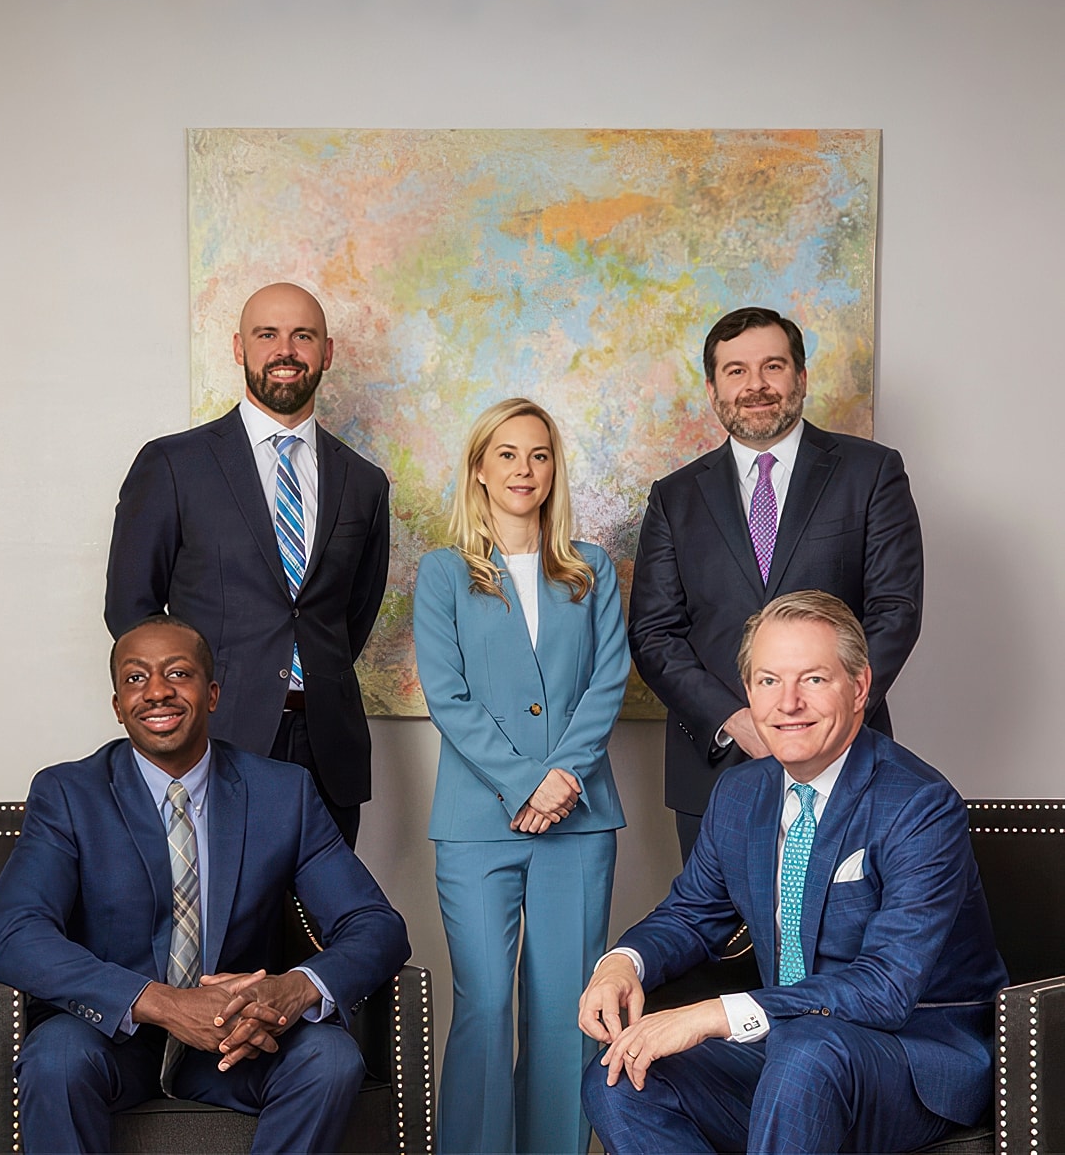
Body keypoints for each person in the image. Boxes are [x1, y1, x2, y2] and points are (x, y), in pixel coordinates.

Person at [578, 591, 1005, 1155]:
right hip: (794, 1046)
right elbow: (690, 914)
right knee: (621, 1078)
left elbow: (886, 988)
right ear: (749, 692)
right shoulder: (740, 793)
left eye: (814, 679)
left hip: (915, 1056)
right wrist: (618, 965)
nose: (789, 703)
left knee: (807, 1054)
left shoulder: (919, 805)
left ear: (858, 688)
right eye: (769, 681)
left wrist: (712, 1016)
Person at [0, 615, 410, 1155]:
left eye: (178, 673)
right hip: (110, 1036)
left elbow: (376, 925)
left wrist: (293, 990)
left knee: (331, 1058)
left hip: (238, 1040)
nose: (156, 691)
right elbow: (11, 934)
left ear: (212, 694)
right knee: (55, 1058)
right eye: (136, 679)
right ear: (117, 705)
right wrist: (156, 1002)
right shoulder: (69, 793)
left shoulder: (282, 793)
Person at [413, 398, 631, 1155]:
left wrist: (563, 776)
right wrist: (524, 782)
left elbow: (609, 681)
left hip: (580, 821)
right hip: (476, 822)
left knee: (564, 1008)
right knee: (482, 1005)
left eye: (538, 455)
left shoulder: (591, 567)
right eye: (506, 454)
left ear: (553, 468)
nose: (523, 470)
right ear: (479, 468)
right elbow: (448, 695)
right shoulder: (443, 574)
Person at [630, 305, 924, 860]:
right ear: (713, 388)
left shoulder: (871, 472)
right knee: (716, 938)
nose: (756, 385)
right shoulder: (674, 497)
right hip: (713, 768)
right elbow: (654, 634)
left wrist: (830, 715)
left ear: (802, 377)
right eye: (736, 371)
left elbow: (895, 611)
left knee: (847, 935)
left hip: (846, 757)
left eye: (773, 366)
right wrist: (736, 720)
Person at [105, 282, 389, 846]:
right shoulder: (173, 464)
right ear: (239, 348)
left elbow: (351, 617)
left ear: (326, 353)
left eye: (302, 336)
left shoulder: (364, 482)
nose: (285, 350)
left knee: (324, 925)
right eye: (268, 335)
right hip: (214, 736)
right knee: (219, 923)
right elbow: (132, 613)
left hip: (327, 746)